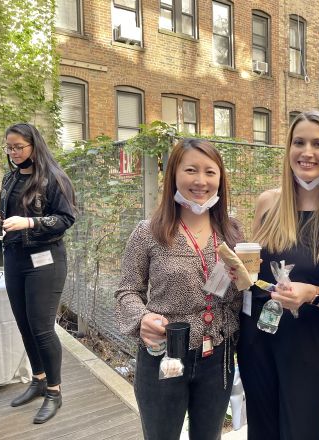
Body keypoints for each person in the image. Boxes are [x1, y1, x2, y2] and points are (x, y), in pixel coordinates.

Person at [237, 110, 319, 440]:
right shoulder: (267, 203)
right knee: (261, 430)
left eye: (318, 144)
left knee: (302, 430)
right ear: (288, 149)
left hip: (307, 343)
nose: (307, 152)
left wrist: (312, 293)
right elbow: (253, 276)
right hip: (257, 338)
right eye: (299, 142)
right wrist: (237, 273)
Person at [115, 138, 243, 440]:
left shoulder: (232, 232)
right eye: (191, 170)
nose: (201, 181)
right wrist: (142, 319)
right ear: (174, 174)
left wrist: (248, 281)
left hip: (217, 357)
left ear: (220, 179)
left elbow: (238, 296)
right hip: (164, 354)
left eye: (210, 172)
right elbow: (126, 291)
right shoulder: (149, 232)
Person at [0, 123, 76, 423]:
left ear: (34, 145)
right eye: (9, 147)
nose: (14, 153)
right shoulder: (10, 177)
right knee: (24, 325)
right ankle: (39, 379)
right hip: (14, 258)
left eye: (19, 147)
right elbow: (9, 215)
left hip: (45, 260)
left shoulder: (54, 178)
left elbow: (66, 218)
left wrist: (30, 223)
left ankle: (54, 392)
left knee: (42, 328)